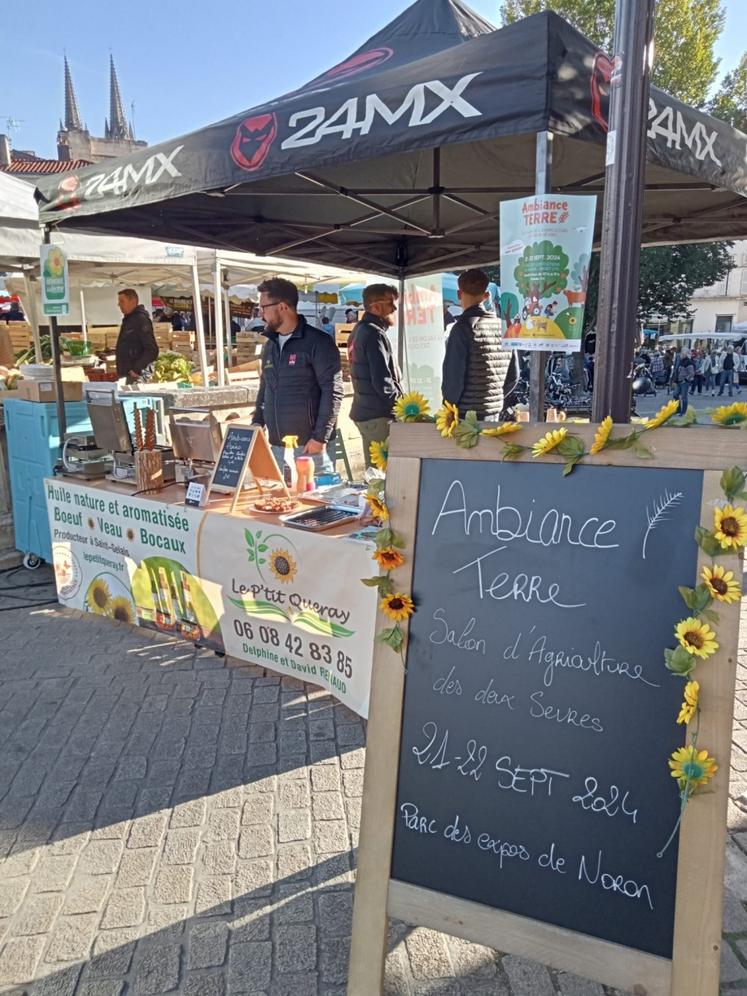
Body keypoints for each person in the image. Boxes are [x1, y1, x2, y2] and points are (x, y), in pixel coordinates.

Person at [252, 277, 342, 474]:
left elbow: (333, 392)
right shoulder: (271, 345)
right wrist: (257, 421)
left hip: (310, 446)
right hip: (277, 445)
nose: (261, 315)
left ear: (283, 307)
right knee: (280, 502)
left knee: (317, 500)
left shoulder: (318, 342)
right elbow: (265, 386)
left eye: (264, 307)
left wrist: (320, 437)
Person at [441, 268, 516, 421]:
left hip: (465, 415)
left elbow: (453, 380)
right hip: (494, 413)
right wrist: (494, 398)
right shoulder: (504, 328)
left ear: (459, 294)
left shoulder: (462, 329)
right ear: (487, 295)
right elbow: (513, 377)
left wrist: (447, 408)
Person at [347, 283, 403, 467]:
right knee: (387, 477)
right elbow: (383, 382)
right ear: (376, 306)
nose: (394, 308)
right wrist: (403, 408)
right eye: (390, 303)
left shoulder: (359, 330)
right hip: (378, 416)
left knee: (375, 476)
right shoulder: (373, 333)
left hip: (365, 412)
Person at [115, 289, 159, 383]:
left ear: (133, 302)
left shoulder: (140, 320)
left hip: (134, 375)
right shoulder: (129, 319)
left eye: (122, 301)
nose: (119, 305)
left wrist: (137, 369)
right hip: (125, 373)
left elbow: (152, 349)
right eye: (119, 302)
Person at [671, 347, 694, 415]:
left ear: (685, 354)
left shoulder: (689, 362)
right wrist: (675, 380)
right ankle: (678, 409)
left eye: (682, 354)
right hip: (678, 381)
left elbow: (691, 373)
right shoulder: (681, 361)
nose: (680, 355)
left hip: (684, 382)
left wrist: (686, 379)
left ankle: (683, 411)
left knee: (684, 397)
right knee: (675, 395)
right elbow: (677, 371)